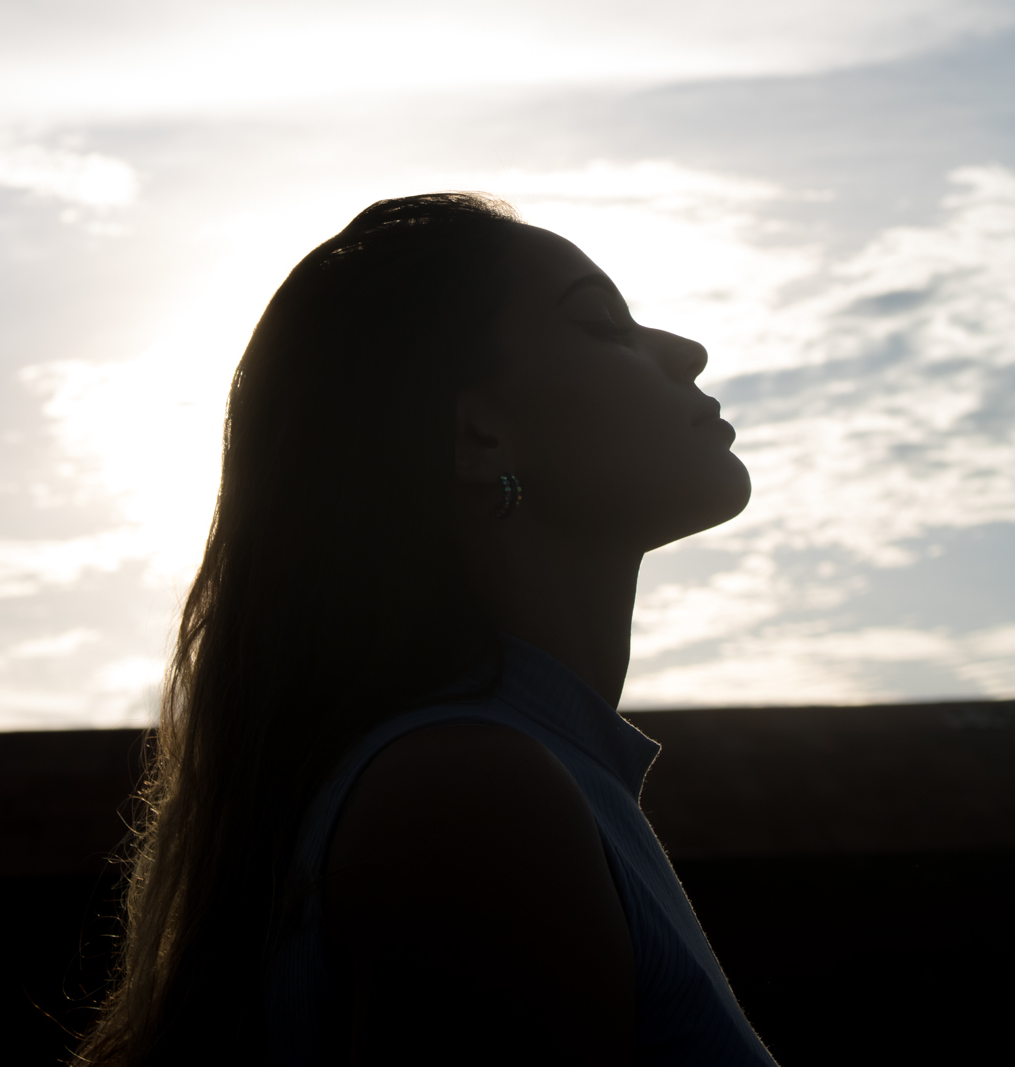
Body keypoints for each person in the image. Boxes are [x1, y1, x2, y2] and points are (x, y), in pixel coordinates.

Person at [77, 191, 777, 1066]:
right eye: (601, 323)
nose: (685, 351)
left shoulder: (511, 778)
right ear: (476, 436)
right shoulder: (475, 797)